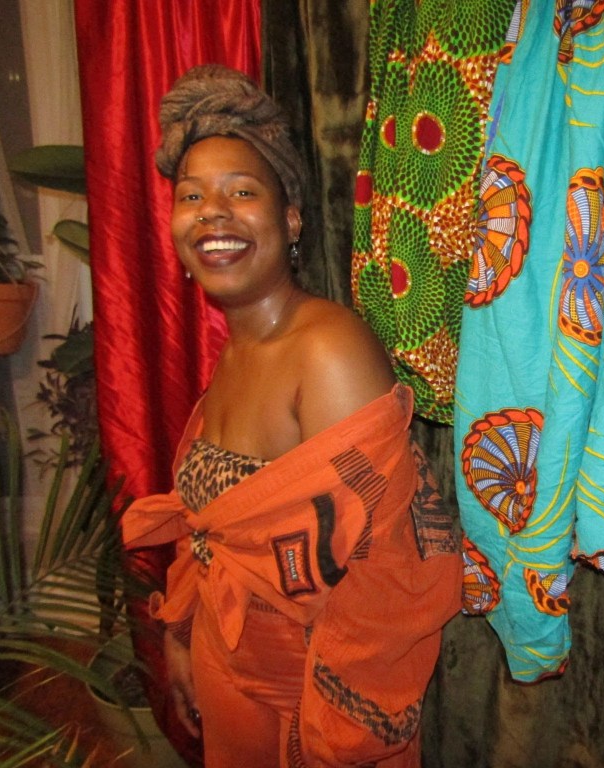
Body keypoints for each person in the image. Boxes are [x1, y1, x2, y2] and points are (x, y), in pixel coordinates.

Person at [121, 64, 462, 768]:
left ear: (291, 219)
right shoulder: (236, 354)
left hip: (312, 709)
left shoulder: (327, 349)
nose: (213, 213)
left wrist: (331, 738)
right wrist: (186, 641)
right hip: (230, 677)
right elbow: (207, 528)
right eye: (192, 197)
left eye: (241, 192)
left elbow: (390, 574)